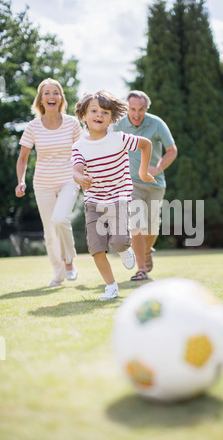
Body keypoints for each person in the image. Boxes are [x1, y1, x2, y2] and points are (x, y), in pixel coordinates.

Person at [72, 90, 156, 300]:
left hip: (118, 197)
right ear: (83, 116)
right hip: (93, 202)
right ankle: (111, 286)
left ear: (111, 118)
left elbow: (146, 144)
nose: (99, 115)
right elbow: (76, 168)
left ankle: (123, 248)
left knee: (119, 241)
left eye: (105, 112)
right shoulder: (79, 146)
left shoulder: (119, 138)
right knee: (97, 248)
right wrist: (81, 179)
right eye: (93, 111)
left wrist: (143, 172)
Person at [16, 78, 82, 287]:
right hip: (42, 183)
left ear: (61, 98)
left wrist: (85, 175)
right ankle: (58, 272)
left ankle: (70, 261)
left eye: (56, 92)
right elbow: (23, 157)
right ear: (41, 99)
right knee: (49, 232)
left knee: (61, 219)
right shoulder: (33, 126)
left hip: (68, 179)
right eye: (47, 93)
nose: (51, 96)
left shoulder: (72, 123)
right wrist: (21, 181)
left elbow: (82, 152)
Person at [113, 90, 178, 281]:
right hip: (130, 182)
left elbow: (172, 150)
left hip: (155, 183)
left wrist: (157, 168)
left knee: (152, 228)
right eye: (132, 109)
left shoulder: (156, 124)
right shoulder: (118, 125)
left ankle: (147, 251)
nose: (136, 114)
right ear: (127, 108)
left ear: (146, 109)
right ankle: (141, 269)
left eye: (141, 109)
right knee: (136, 224)